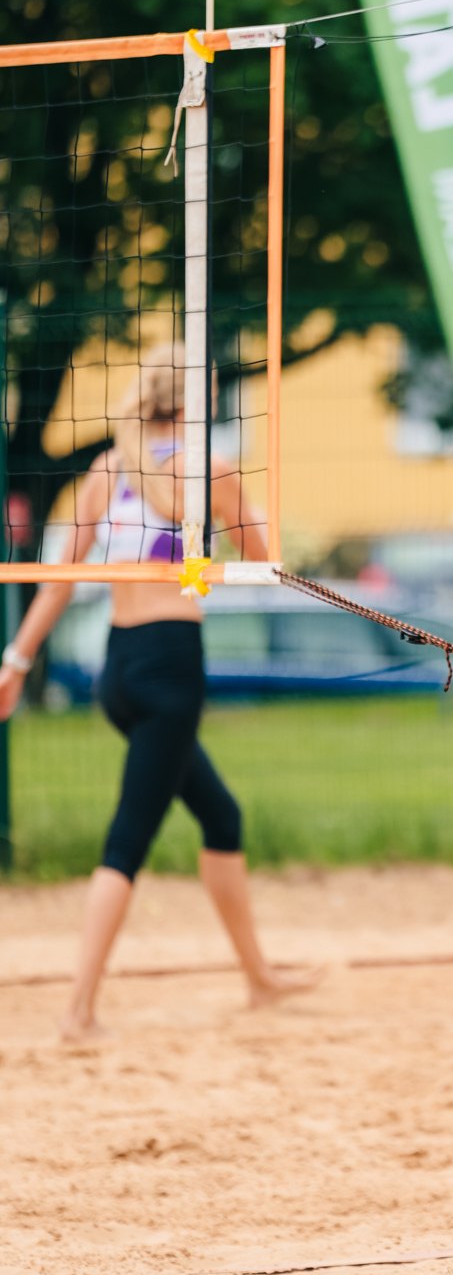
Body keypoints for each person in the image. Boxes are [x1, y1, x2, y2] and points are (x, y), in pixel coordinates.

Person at [0, 343, 319, 1042]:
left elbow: (59, 580)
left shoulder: (107, 469)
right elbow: (264, 561)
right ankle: (78, 1010)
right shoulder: (210, 471)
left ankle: (259, 978)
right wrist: (234, 531)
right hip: (171, 667)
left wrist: (16, 661)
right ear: (197, 398)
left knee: (221, 817)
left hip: (117, 668)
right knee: (128, 840)